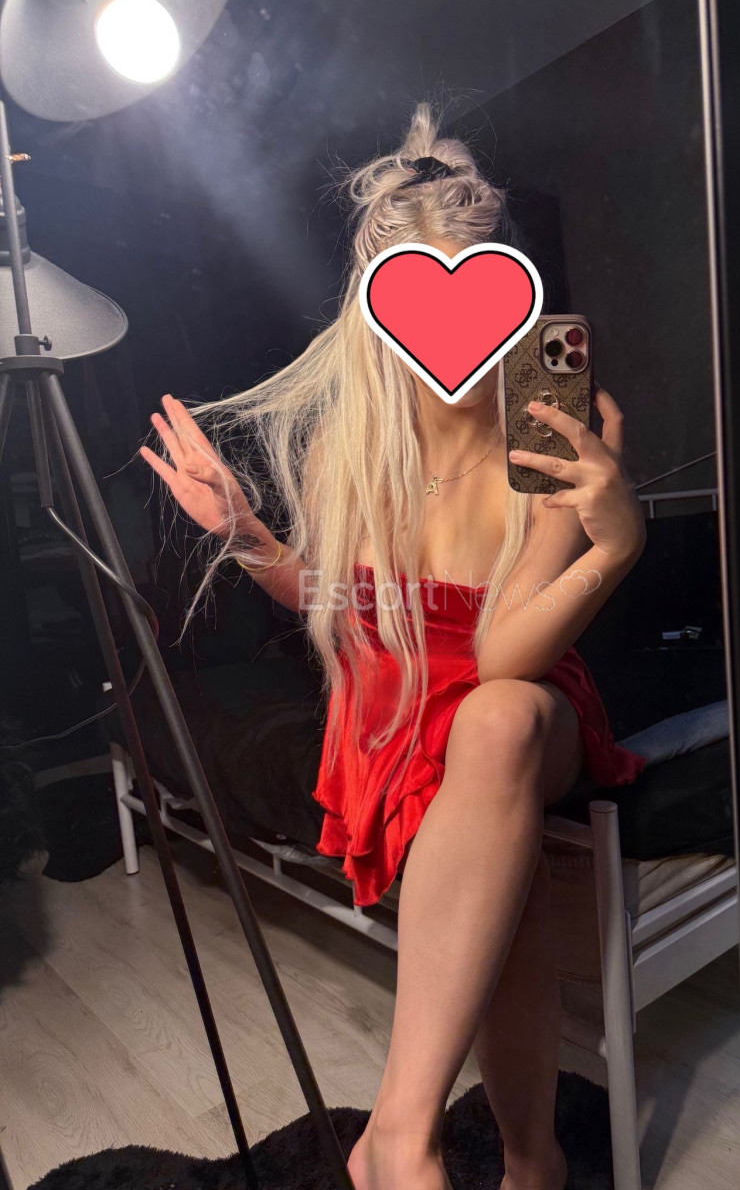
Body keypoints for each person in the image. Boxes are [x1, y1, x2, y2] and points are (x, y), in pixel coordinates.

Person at [140, 101, 647, 1190]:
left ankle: (398, 1138)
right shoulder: (350, 446)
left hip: (522, 695)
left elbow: (507, 657)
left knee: (497, 721)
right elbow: (345, 604)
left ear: (517, 301)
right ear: (374, 314)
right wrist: (251, 538)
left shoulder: (545, 440)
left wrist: (614, 548)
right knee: (501, 888)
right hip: (397, 719)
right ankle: (534, 1164)